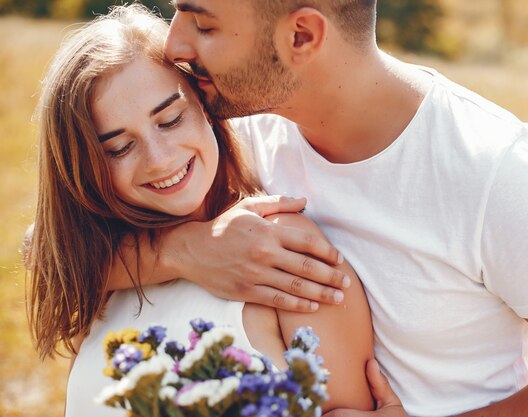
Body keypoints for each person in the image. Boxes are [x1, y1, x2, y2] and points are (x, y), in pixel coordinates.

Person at [104, 1, 528, 416]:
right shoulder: (238, 138)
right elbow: (48, 254)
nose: (174, 41)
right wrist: (182, 250)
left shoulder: (496, 172)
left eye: (203, 22)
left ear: (301, 36)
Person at [25, 4, 374, 416]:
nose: (158, 159)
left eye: (171, 120)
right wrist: (183, 249)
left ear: (206, 106)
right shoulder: (106, 269)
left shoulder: (284, 251)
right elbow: (43, 247)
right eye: (118, 148)